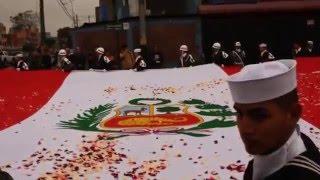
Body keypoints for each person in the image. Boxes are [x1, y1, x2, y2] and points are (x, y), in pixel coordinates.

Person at [227, 60, 320, 180]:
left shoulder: (303, 174)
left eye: (259, 116)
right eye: (239, 113)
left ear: (293, 114)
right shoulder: (278, 147)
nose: (245, 128)